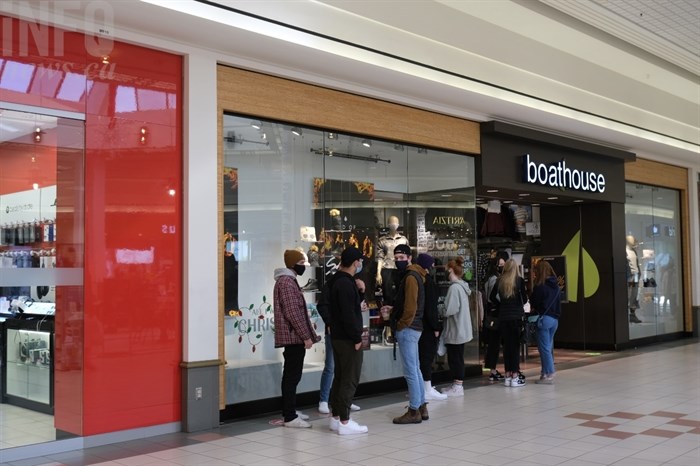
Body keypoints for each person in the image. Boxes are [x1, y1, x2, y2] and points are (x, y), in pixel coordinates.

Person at [273, 249, 321, 428]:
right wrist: (306, 336)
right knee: (292, 375)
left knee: (292, 375)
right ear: (293, 264)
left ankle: (289, 410)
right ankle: (290, 416)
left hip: (293, 336)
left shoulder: (288, 281)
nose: (303, 267)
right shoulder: (287, 283)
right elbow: (293, 313)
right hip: (293, 337)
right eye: (301, 263)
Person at [382, 244, 429, 424]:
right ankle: (422, 406)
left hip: (408, 328)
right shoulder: (416, 275)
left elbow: (410, 307)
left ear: (410, 258)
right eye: (396, 257)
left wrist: (401, 324)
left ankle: (414, 410)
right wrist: (395, 309)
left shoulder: (410, 277)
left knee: (410, 371)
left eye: (402, 257)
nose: (398, 261)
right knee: (415, 369)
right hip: (414, 327)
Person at [327, 247, 368, 435]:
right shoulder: (344, 283)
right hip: (347, 338)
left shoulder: (336, 280)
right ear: (354, 262)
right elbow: (348, 314)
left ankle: (335, 416)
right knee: (349, 378)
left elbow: (345, 307)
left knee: (341, 376)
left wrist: (360, 292)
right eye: (359, 261)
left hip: (338, 336)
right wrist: (356, 337)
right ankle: (345, 420)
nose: (360, 264)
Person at [489, 258, 528, 388]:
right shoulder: (519, 281)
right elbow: (525, 298)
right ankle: (515, 376)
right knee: (515, 347)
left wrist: (502, 305)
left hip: (503, 318)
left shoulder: (500, 281)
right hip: (516, 318)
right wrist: (517, 305)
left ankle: (507, 375)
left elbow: (491, 297)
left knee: (506, 348)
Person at [416, 254, 447, 401]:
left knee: (420, 358)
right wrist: (436, 326)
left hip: (417, 325)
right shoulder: (428, 283)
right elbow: (431, 308)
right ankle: (427, 388)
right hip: (427, 327)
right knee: (427, 357)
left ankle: (421, 387)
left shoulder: (415, 280)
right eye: (431, 265)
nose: (433, 267)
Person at [440, 257, 473, 396]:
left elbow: (450, 310)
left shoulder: (454, 288)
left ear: (451, 270)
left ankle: (458, 386)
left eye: (447, 269)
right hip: (462, 328)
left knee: (455, 358)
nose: (446, 272)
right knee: (458, 357)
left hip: (455, 329)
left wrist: (440, 308)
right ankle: (457, 384)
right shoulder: (463, 286)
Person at [530, 260, 561, 384]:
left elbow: (534, 302)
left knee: (544, 348)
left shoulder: (540, 286)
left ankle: (549, 373)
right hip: (554, 320)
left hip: (544, 319)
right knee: (548, 347)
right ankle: (544, 373)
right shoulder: (556, 286)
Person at [375, 216, 409, 304]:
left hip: (401, 268)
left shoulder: (403, 239)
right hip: (387, 269)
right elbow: (380, 257)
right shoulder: (382, 240)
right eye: (391, 223)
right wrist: (378, 273)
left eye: (395, 223)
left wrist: (409, 269)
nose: (394, 225)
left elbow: (408, 257)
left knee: (402, 291)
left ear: (398, 224)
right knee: (388, 293)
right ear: (388, 224)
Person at [483, 257, 504, 382]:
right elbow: (495, 297)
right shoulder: (495, 279)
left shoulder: (487, 280)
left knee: (492, 343)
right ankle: (492, 370)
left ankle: (492, 369)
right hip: (496, 314)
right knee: (495, 344)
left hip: (490, 313)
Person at [626, 235, 642, 323]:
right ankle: (626, 315)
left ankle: (632, 315)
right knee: (628, 295)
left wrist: (639, 273)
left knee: (634, 295)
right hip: (629, 277)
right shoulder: (624, 251)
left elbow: (637, 263)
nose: (633, 240)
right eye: (631, 239)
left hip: (635, 276)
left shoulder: (634, 251)